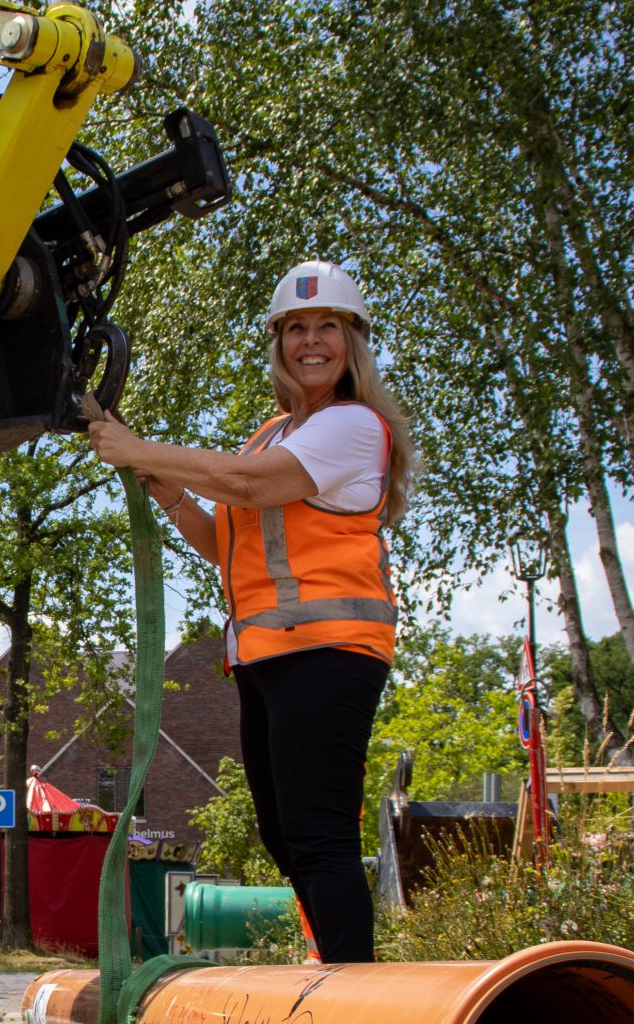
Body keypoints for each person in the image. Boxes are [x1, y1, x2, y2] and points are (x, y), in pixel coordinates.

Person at [81, 261, 415, 963]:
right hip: (268, 658)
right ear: (279, 343)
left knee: (319, 835)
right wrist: (165, 486)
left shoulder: (354, 425)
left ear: (353, 342)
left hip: (330, 651)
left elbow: (242, 484)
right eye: (296, 328)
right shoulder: (273, 433)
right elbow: (223, 542)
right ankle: (333, 966)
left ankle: (353, 985)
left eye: (327, 326)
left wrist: (140, 449)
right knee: (284, 836)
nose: (311, 341)